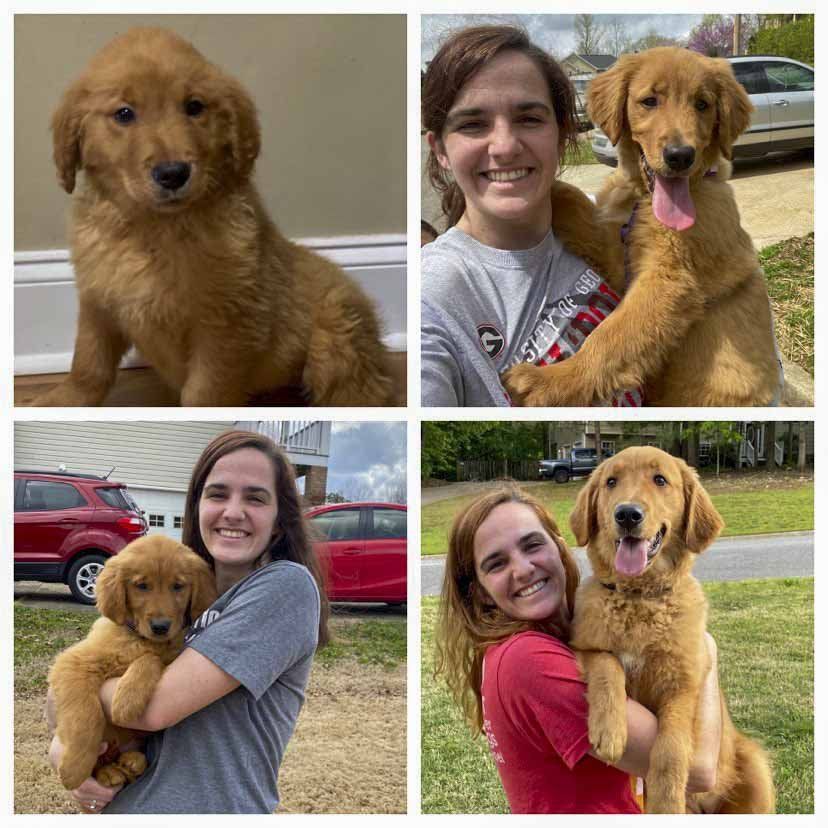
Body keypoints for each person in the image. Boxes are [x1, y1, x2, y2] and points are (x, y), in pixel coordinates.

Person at [48, 430, 330, 813]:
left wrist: (82, 682)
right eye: (217, 494)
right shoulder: (192, 604)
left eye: (255, 498)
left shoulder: (285, 588)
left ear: (280, 520)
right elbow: (56, 703)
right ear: (197, 508)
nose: (233, 511)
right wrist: (64, 744)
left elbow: (152, 709)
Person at [435, 484, 721, 814]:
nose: (524, 569)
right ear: (481, 592)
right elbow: (699, 769)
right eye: (496, 564)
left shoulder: (555, 640)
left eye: (533, 545)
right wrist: (706, 653)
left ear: (560, 548)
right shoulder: (530, 661)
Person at [421, 25, 640, 407]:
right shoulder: (433, 297)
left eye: (529, 119)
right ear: (440, 148)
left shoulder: (613, 226)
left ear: (561, 133)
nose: (504, 146)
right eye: (473, 124)